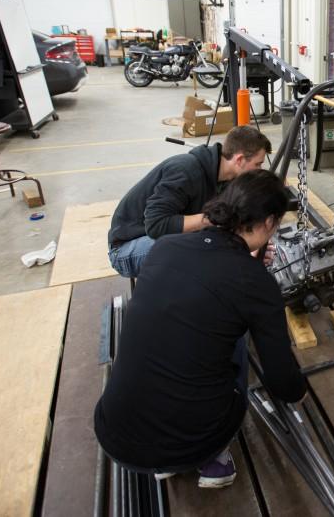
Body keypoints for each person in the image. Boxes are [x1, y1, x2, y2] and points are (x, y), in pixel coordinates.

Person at [94, 169, 307, 487]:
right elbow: (282, 383)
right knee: (236, 340)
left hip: (115, 434)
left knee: (196, 323)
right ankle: (213, 458)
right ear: (268, 223)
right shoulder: (256, 284)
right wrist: (299, 389)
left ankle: (165, 462)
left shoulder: (165, 247)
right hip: (191, 442)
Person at [107, 125, 271, 278]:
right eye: (258, 164)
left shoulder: (225, 180)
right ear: (240, 160)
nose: (260, 170)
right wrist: (210, 220)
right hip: (127, 247)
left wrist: (248, 248)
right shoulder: (186, 171)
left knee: (214, 248)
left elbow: (228, 224)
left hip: (163, 240)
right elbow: (155, 225)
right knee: (205, 252)